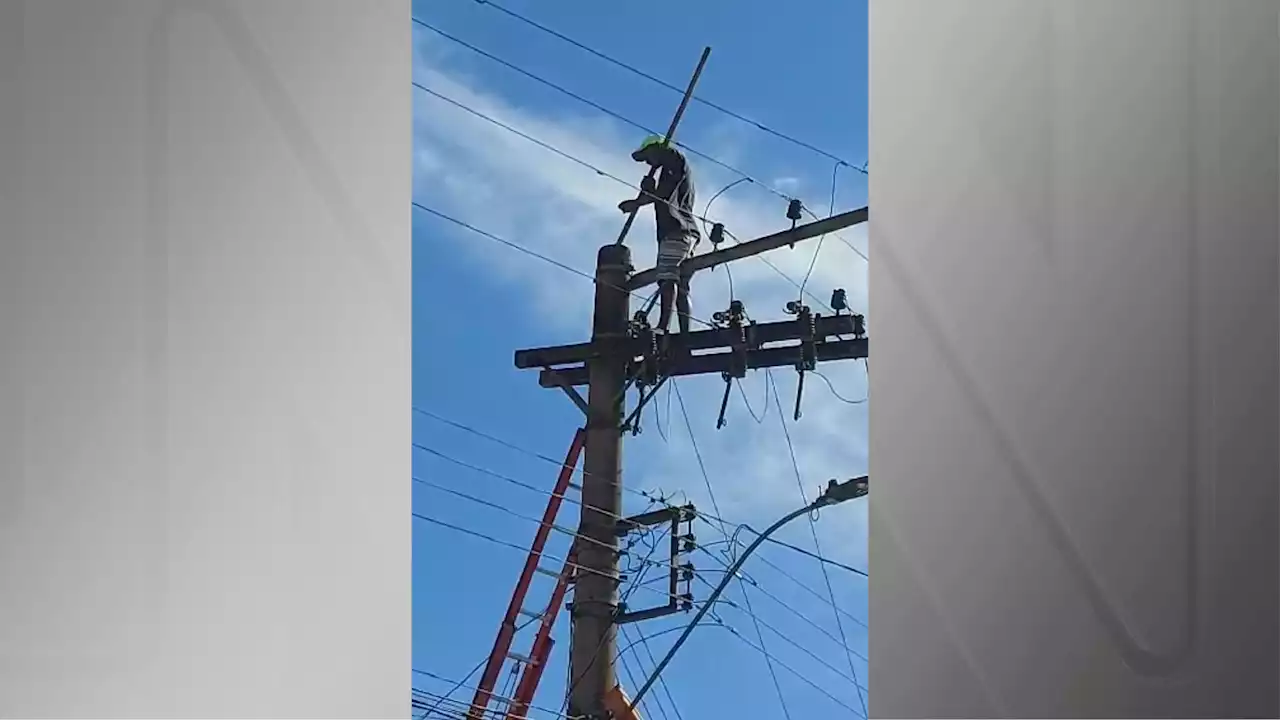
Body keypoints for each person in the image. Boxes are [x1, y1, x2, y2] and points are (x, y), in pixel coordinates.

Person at [617, 134, 701, 343]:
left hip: (677, 229)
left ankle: (663, 326)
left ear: (658, 149)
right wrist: (645, 194)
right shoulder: (670, 169)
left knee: (667, 276)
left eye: (648, 156)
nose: (647, 162)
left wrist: (641, 198)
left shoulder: (673, 160)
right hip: (682, 231)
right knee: (680, 285)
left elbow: (662, 194)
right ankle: (684, 337)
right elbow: (660, 194)